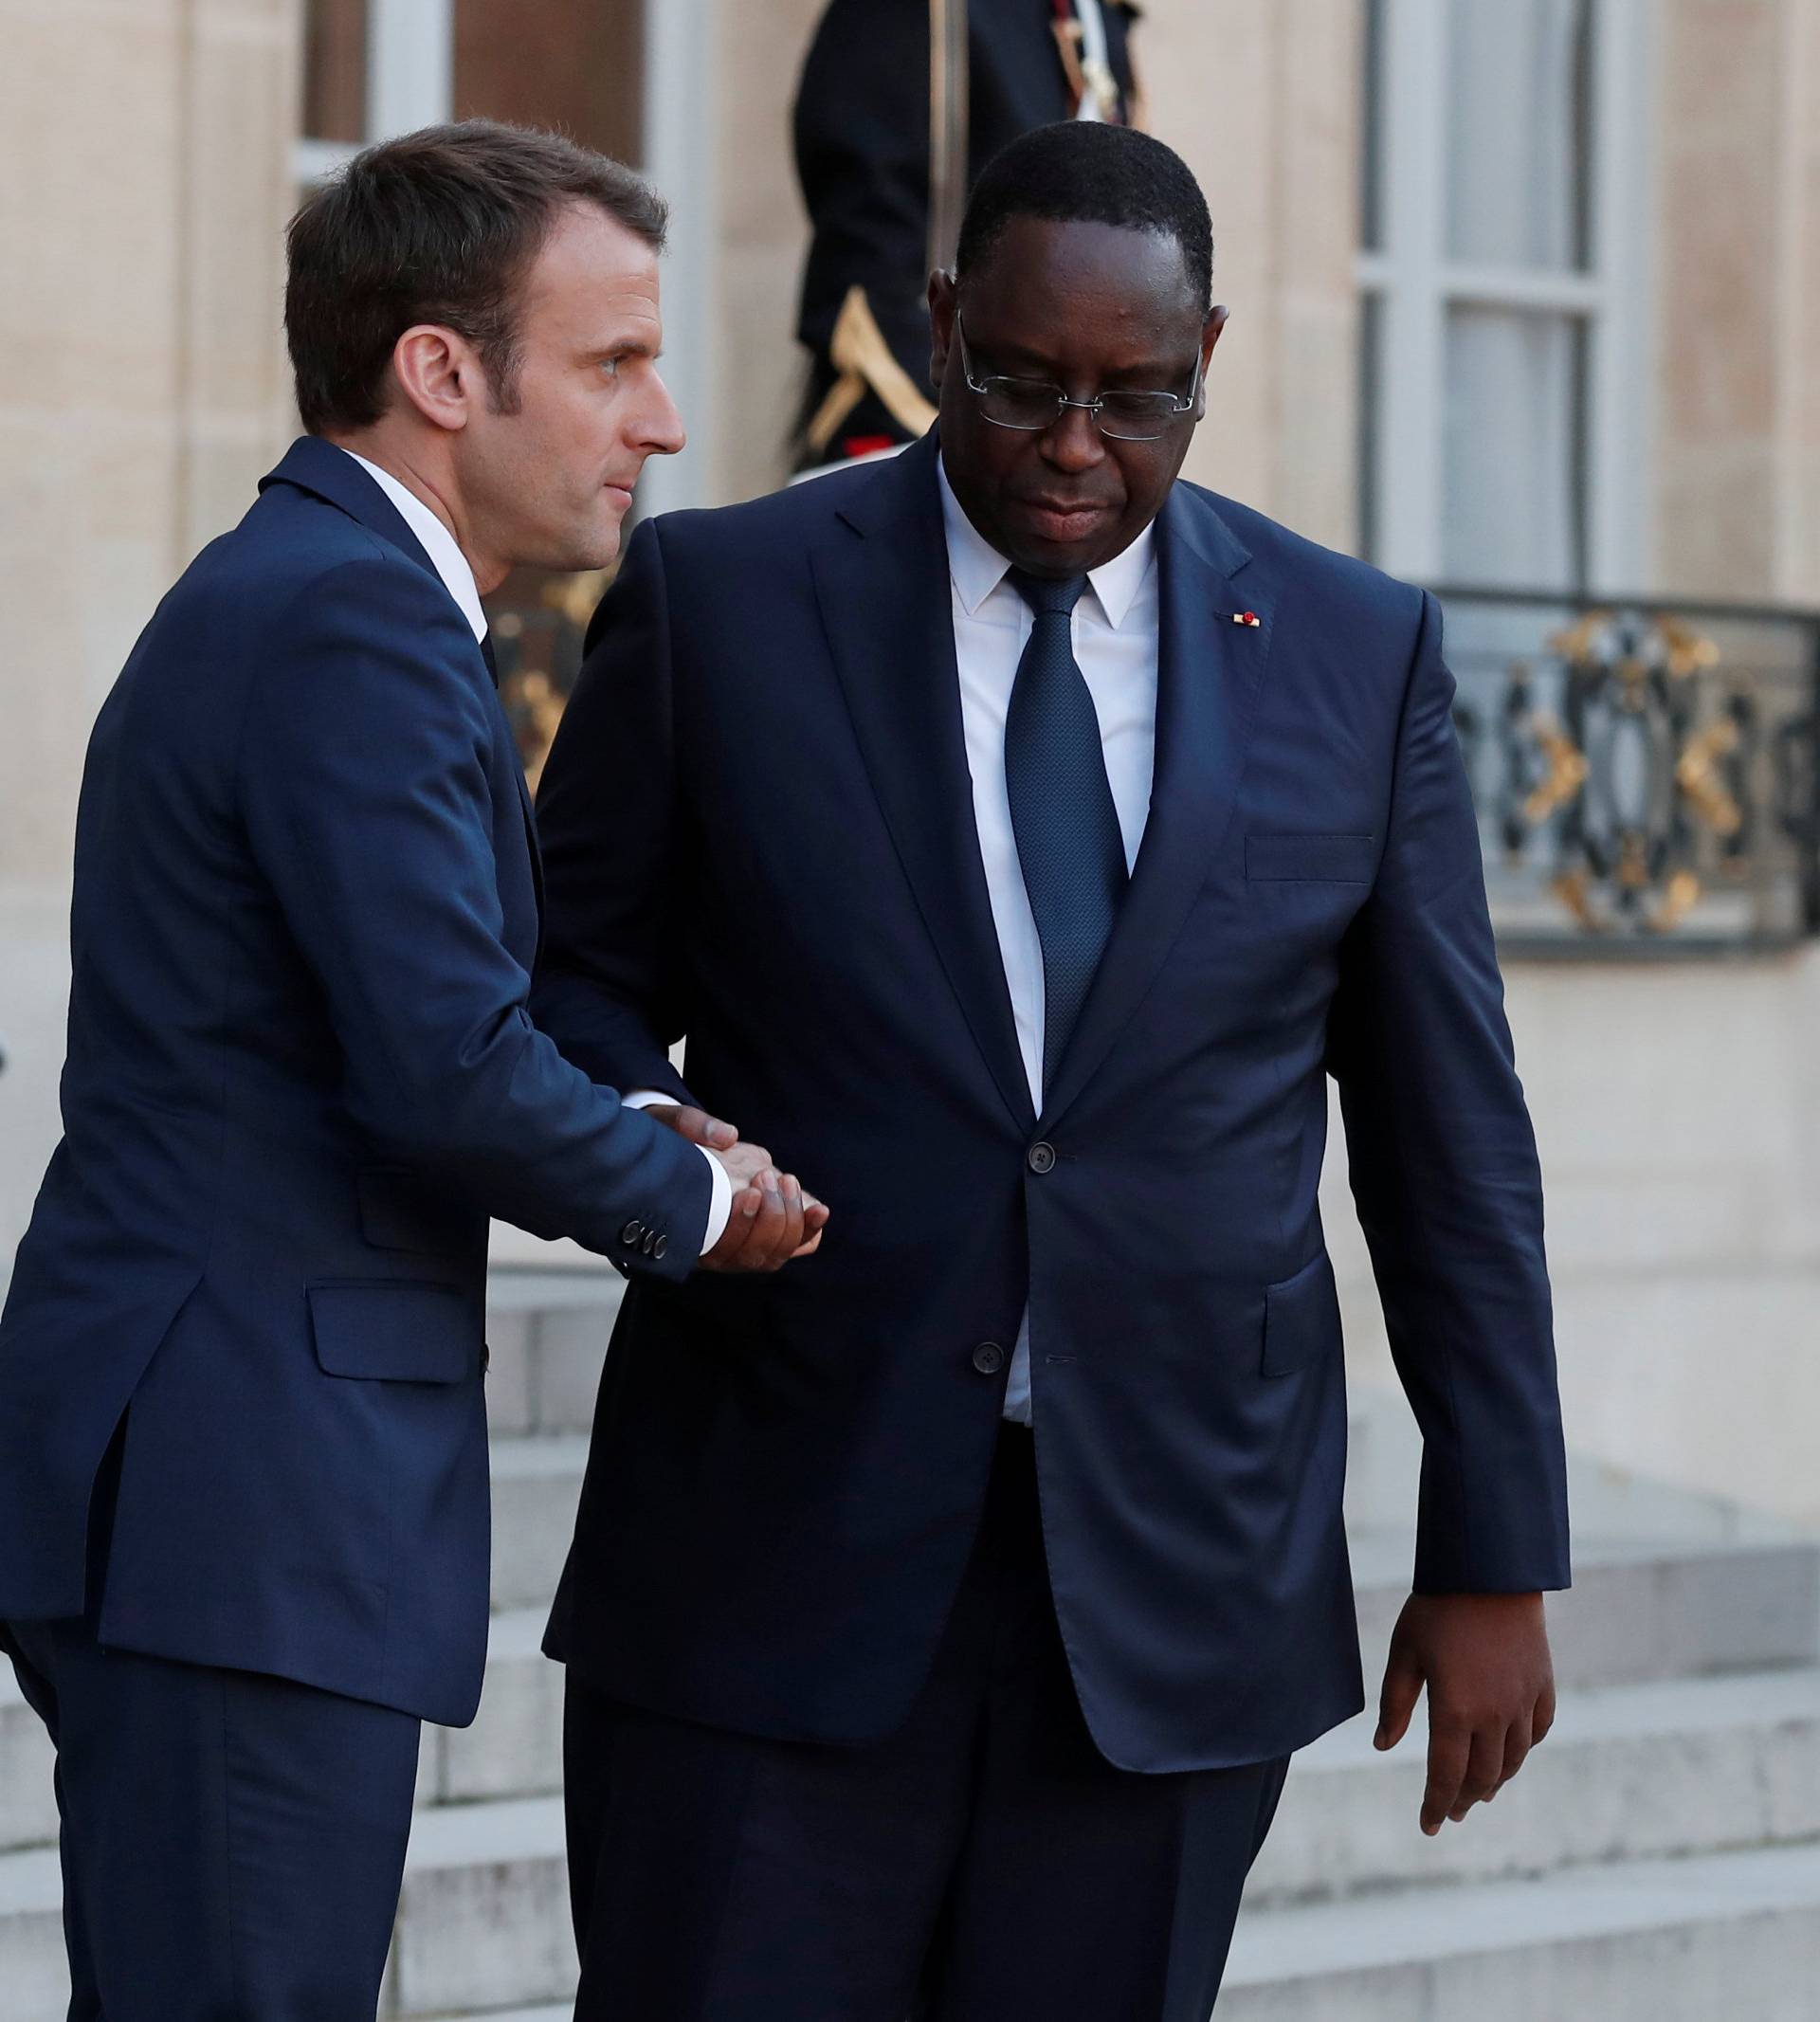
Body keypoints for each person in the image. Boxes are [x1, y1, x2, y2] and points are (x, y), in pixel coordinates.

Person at [533, 119, 1568, 2021]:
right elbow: (557, 993)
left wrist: (1492, 1543)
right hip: (777, 1554)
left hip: (1176, 1588)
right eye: (1018, 383)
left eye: (1136, 394)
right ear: (939, 326)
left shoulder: (1355, 652)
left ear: (1210, 357)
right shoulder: (723, 606)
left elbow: (1449, 1144)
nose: (1077, 442)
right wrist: (654, 1141)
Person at [0, 119, 822, 2020]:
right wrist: (705, 1199)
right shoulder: (351, 615)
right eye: (615, 361)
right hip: (241, 1503)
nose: (670, 421)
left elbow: (349, 1026)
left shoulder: (323, 598)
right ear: (442, 372)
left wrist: (620, 1114)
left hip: (231, 1497)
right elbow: (443, 1066)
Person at [792, 0, 1142, 470]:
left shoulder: (1094, 16)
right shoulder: (916, 13)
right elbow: (872, 250)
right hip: (939, 421)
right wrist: (939, 422)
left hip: (1062, 429)